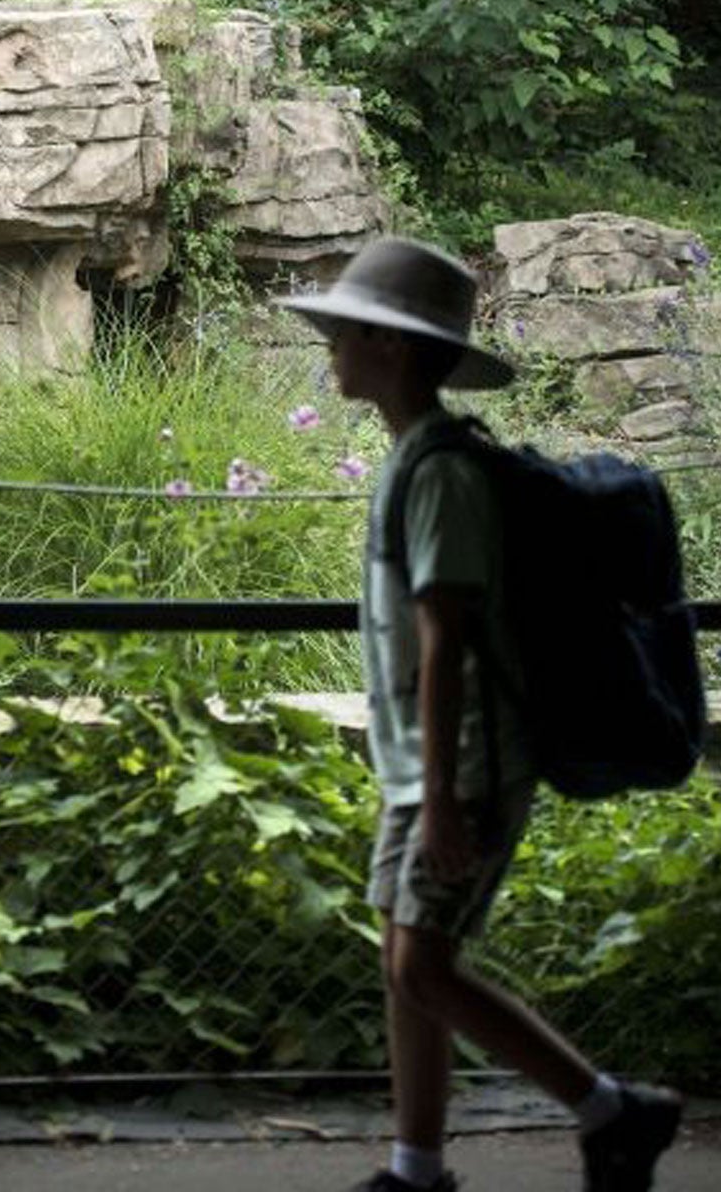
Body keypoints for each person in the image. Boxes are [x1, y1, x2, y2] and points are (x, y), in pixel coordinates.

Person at [276, 237, 683, 1192]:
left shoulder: (445, 476)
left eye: (350, 330)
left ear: (397, 353)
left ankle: (613, 1111)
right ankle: (417, 1168)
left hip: (465, 768)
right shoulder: (412, 460)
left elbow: (444, 637)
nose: (331, 343)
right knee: (404, 961)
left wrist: (449, 798)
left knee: (423, 966)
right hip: (423, 768)